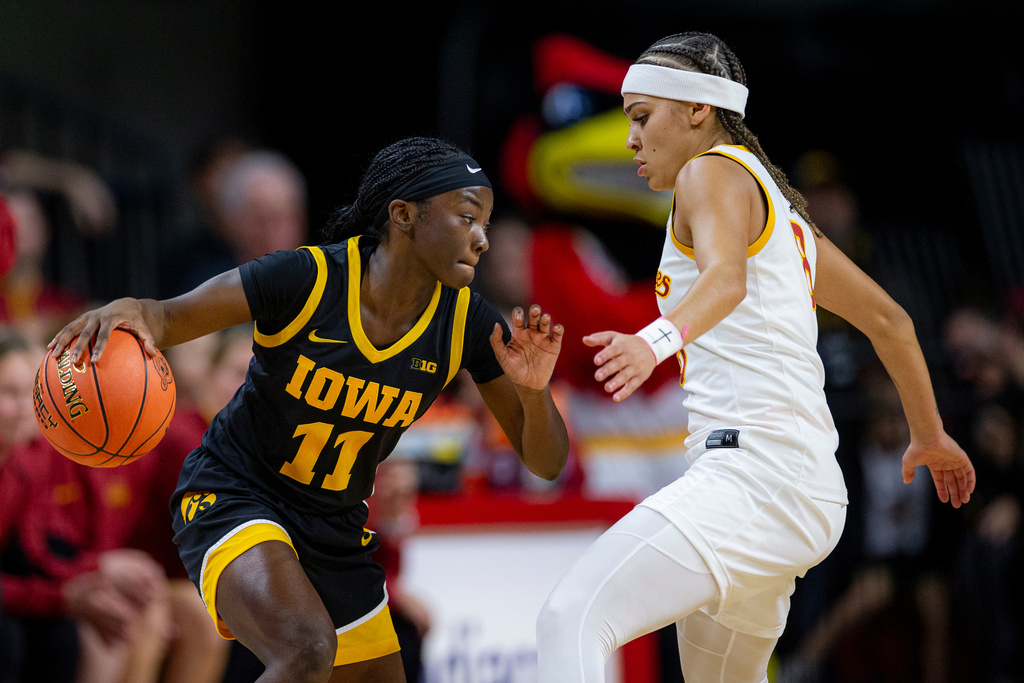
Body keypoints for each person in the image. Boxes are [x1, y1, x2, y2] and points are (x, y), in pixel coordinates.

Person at [534, 32, 975, 683]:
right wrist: (930, 434)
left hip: (753, 478)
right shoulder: (786, 216)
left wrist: (651, 340)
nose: (629, 139)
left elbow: (726, 279)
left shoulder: (706, 170)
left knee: (568, 618)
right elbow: (891, 320)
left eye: (640, 116)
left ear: (696, 111)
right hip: (804, 489)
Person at [49, 136, 570, 683]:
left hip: (335, 529)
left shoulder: (467, 320)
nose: (483, 239)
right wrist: (130, 310)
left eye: (486, 222)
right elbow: (168, 317)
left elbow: (546, 462)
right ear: (403, 216)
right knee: (305, 649)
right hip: (236, 495)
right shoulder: (308, 279)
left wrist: (534, 391)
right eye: (467, 217)